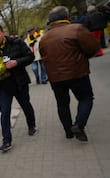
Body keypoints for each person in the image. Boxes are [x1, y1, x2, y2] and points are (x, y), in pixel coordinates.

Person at [39, 6, 100, 142]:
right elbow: (93, 47)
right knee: (86, 98)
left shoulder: (44, 39)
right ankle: (79, 124)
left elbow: (43, 56)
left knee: (62, 104)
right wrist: (85, 56)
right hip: (78, 73)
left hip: (56, 78)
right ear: (66, 17)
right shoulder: (76, 29)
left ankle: (68, 132)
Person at [0, 24, 37, 153]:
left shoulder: (16, 43)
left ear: (3, 33)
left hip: (19, 82)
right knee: (5, 113)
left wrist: (16, 62)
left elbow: (30, 57)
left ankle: (32, 125)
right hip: (2, 86)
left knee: (25, 105)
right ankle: (6, 141)